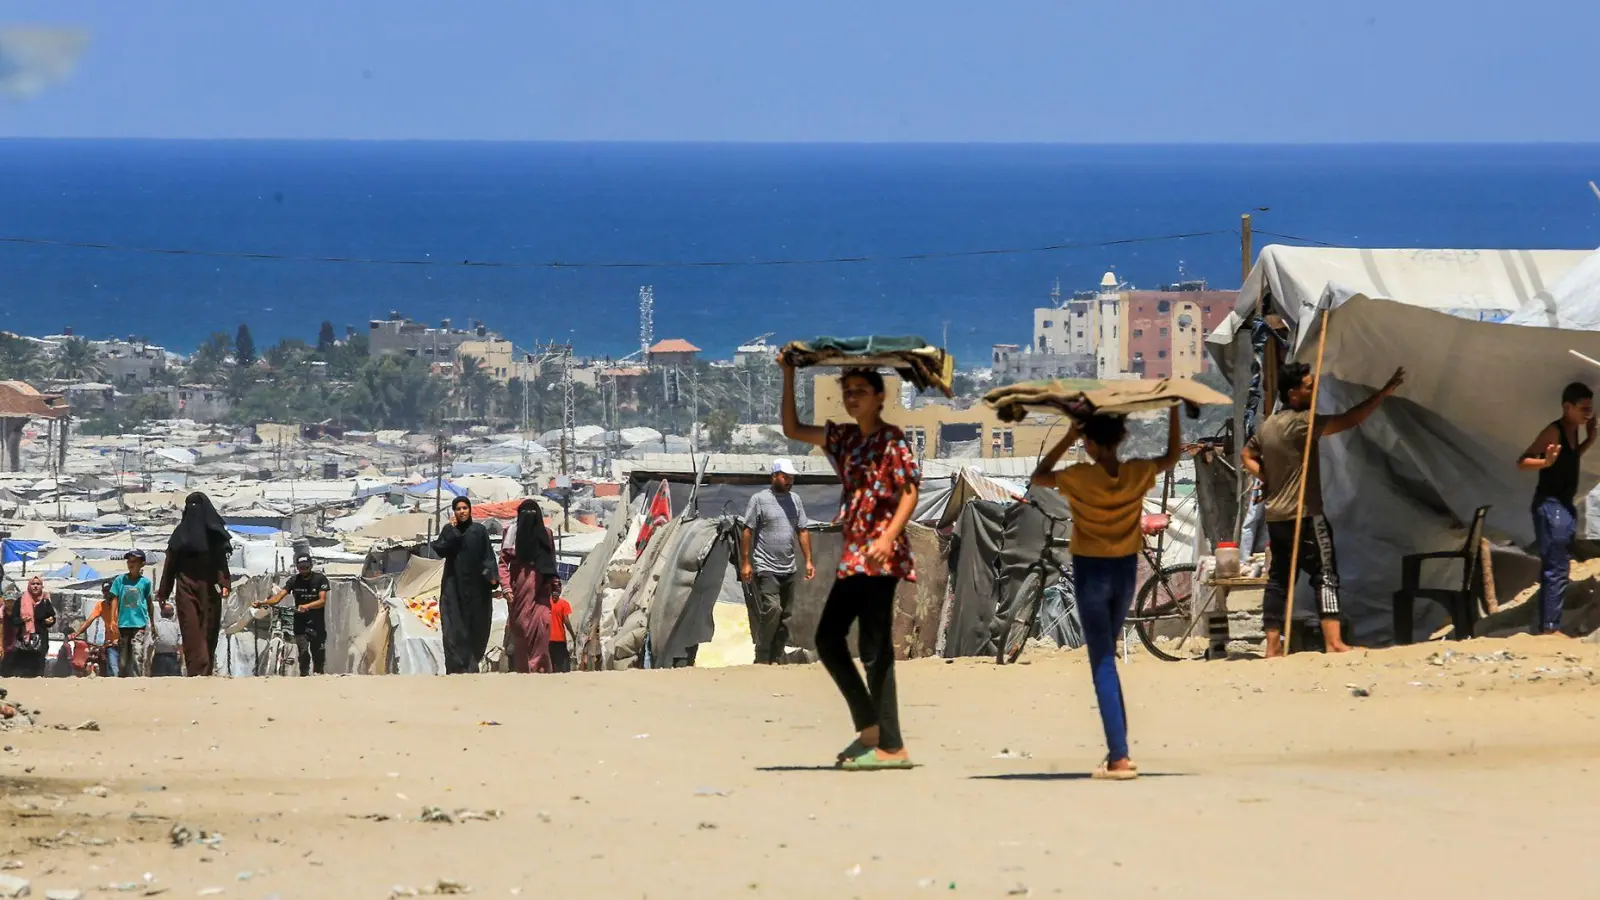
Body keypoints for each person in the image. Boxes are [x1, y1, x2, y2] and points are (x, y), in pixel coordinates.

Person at [781, 361, 919, 771]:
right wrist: (789, 375)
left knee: (875, 649)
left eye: (861, 389)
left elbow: (910, 491)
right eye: (848, 390)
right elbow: (792, 429)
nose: (853, 396)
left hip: (882, 554)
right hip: (855, 553)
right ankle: (870, 729)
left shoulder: (892, 441)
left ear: (880, 396)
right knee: (828, 639)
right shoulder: (841, 438)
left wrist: (888, 537)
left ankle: (892, 746)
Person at [1032, 408, 1184, 780]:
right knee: (1108, 656)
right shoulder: (1135, 472)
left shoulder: (1080, 476)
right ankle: (1118, 748)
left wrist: (1068, 436)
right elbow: (1171, 457)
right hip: (1125, 571)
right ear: (1121, 438)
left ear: (1088, 442)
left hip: (1091, 571)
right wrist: (1175, 411)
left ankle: (1119, 756)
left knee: (1102, 661)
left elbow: (1038, 477)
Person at [1242, 363, 1404, 657]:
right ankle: (1334, 642)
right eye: (1308, 386)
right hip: (1305, 515)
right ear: (1293, 394)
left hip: (1277, 517)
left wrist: (1268, 478)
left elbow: (1247, 454)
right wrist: (1382, 394)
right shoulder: (1302, 422)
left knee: (1279, 579)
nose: (1313, 390)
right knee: (1325, 574)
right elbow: (1349, 420)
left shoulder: (1268, 426)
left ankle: (1272, 647)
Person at [1518, 382, 1596, 635]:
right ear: (1567, 407)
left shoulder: (1574, 430)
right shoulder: (1554, 431)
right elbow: (1522, 462)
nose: (1588, 413)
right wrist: (1546, 461)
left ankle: (1547, 624)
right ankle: (1549, 628)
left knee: (1557, 565)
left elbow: (1570, 460)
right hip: (1550, 506)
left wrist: (1590, 440)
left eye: (1590, 408)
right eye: (1583, 408)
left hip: (1563, 505)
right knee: (1557, 567)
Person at [740, 458, 816, 664]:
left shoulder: (795, 500)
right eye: (785, 476)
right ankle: (762, 655)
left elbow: (802, 530)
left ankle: (775, 656)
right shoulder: (759, 500)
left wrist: (808, 560)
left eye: (791, 477)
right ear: (774, 476)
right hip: (766, 567)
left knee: (786, 616)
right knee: (773, 608)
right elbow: (748, 530)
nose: (789, 481)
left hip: (788, 568)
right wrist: (746, 562)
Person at [157, 492, 233, 677]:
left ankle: (205, 670)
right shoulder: (180, 535)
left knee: (208, 628)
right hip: (185, 587)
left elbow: (221, 561)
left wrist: (224, 582)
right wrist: (163, 592)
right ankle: (196, 669)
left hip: (209, 588)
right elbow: (170, 565)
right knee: (190, 628)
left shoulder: (214, 535)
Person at [432, 495, 499, 674]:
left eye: (465, 508)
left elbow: (488, 556)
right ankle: (456, 668)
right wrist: (452, 530)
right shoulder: (449, 530)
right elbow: (440, 550)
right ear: (454, 511)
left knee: (477, 627)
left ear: (470, 509)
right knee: (453, 628)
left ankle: (471, 666)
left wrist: (492, 577)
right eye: (458, 509)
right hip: (453, 588)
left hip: (477, 589)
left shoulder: (479, 530)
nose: (462, 512)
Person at [501, 498, 560, 674]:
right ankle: (524, 671)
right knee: (521, 629)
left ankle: (540, 669)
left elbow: (551, 560)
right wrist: (506, 588)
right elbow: (503, 563)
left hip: (542, 586)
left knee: (542, 627)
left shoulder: (546, 534)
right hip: (519, 589)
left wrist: (555, 584)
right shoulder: (511, 533)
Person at [257, 554, 330, 675]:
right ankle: (304, 675)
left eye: (306, 567)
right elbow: (278, 597)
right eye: (301, 567)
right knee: (303, 651)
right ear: (297, 567)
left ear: (311, 566)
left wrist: (306, 606)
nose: (304, 569)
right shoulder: (294, 580)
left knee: (319, 653)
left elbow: (322, 601)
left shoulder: (320, 579)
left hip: (317, 623)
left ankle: (319, 676)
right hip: (300, 623)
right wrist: (263, 603)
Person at [106, 549, 156, 678]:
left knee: (137, 654)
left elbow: (149, 603)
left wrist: (153, 623)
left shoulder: (145, 583)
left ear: (142, 564)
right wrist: (112, 619)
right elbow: (114, 599)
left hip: (139, 624)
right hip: (123, 624)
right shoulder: (120, 580)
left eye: (134, 561)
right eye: (129, 561)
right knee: (122, 660)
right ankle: (122, 681)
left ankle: (137, 681)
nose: (131, 564)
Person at [2, 576, 57, 677]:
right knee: (23, 670)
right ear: (29, 586)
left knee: (38, 671)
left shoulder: (45, 602)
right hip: (24, 642)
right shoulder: (20, 601)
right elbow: (14, 620)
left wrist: (50, 621)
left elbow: (51, 618)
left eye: (38, 584)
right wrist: (22, 620)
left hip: (40, 641)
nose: (35, 586)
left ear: (41, 586)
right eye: (33, 584)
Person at [74, 589, 122, 677]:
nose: (108, 593)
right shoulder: (101, 605)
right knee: (113, 668)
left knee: (125, 668)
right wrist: (77, 633)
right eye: (105, 591)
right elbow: (89, 620)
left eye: (110, 590)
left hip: (124, 641)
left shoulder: (122, 604)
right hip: (110, 643)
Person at [150, 602, 183, 676]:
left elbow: (151, 644)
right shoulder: (176, 627)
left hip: (159, 659)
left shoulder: (156, 626)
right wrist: (181, 657)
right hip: (173, 658)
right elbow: (180, 643)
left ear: (161, 613)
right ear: (172, 614)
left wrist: (148, 660)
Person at [549, 592, 574, 673]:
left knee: (551, 660)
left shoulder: (547, 604)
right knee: (562, 660)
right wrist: (573, 635)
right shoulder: (564, 604)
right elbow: (566, 621)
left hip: (548, 638)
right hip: (560, 638)